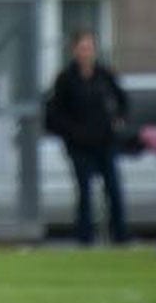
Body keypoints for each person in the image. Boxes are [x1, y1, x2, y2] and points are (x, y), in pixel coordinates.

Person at [45, 30, 131, 245]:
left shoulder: (104, 75)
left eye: (90, 48)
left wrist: (118, 120)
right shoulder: (66, 79)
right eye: (82, 48)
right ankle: (85, 237)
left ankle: (120, 236)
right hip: (79, 145)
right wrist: (71, 132)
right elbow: (54, 114)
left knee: (113, 188)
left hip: (105, 142)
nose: (86, 53)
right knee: (84, 191)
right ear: (74, 50)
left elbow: (122, 100)